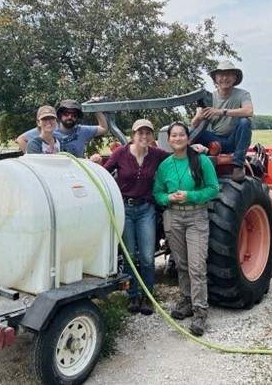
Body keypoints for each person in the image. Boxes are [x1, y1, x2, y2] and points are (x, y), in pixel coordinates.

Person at [153, 121, 219, 336]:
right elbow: (157, 193)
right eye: (174, 135)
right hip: (172, 216)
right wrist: (167, 197)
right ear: (169, 140)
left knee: (197, 265)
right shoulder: (165, 165)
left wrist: (190, 195)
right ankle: (187, 300)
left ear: (188, 138)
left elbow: (213, 189)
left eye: (182, 135)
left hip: (195, 215)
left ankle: (201, 312)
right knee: (181, 263)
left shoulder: (201, 161)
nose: (178, 138)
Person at [102, 119, 170, 316]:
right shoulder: (120, 153)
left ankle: (147, 296)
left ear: (152, 136)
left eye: (148, 133)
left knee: (148, 257)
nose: (144, 136)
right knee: (130, 256)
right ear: (133, 135)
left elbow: (177, 157)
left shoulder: (157, 154)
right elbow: (104, 173)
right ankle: (132, 295)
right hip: (125, 209)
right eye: (140, 133)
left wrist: (195, 149)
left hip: (146, 209)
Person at [191, 60, 253, 182]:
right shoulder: (209, 97)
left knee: (245, 122)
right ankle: (186, 163)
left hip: (233, 140)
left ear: (235, 78)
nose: (224, 78)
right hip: (215, 140)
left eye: (229, 74)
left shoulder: (242, 94)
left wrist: (220, 111)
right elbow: (194, 124)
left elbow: (248, 111)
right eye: (221, 75)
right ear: (215, 78)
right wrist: (199, 116)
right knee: (188, 131)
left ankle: (238, 165)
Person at [16, 98, 108, 157]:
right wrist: (29, 156)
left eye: (74, 114)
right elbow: (21, 139)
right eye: (66, 113)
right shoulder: (46, 131)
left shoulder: (81, 131)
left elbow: (103, 128)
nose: (70, 117)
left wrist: (96, 109)